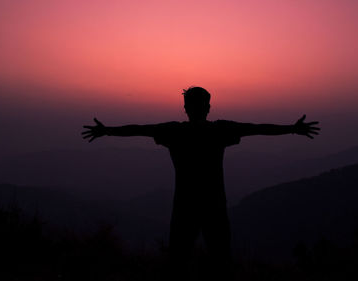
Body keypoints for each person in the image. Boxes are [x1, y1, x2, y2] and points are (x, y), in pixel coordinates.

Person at [81, 86, 320, 279]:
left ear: (186, 108)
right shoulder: (219, 130)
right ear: (208, 107)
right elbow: (256, 128)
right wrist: (291, 129)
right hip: (214, 206)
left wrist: (107, 131)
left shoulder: (175, 132)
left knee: (179, 262)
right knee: (220, 262)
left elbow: (139, 130)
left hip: (184, 207)